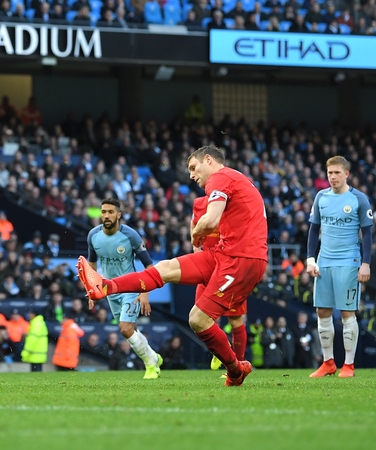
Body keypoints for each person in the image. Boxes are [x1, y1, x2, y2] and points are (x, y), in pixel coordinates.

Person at [78, 145, 267, 387]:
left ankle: (234, 368)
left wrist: (196, 234)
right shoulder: (235, 179)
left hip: (241, 259)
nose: (191, 175)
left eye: (193, 167)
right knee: (165, 267)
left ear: (208, 160)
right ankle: (104, 286)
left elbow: (209, 222)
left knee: (198, 319)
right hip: (225, 253)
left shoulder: (220, 178)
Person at [306, 156, 372, 378]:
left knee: (346, 312)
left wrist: (365, 264)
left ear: (346, 174)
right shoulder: (321, 197)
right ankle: (328, 363)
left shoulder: (358, 199)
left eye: (336, 173)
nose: (332, 177)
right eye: (329, 173)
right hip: (324, 261)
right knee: (322, 311)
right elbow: (314, 230)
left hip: (349, 261)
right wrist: (310, 259)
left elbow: (368, 234)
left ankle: (349, 365)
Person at [84, 198, 163, 379]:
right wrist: (92, 290)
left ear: (119, 215)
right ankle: (153, 356)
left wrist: (145, 292)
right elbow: (92, 264)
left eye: (110, 212)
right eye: (103, 212)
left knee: (125, 329)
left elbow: (150, 267)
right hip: (111, 290)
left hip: (131, 288)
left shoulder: (131, 235)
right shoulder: (93, 236)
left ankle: (151, 365)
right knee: (131, 329)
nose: (106, 215)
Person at [193, 196, 247, 375]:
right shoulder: (199, 203)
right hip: (208, 267)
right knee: (200, 317)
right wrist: (196, 250)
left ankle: (238, 366)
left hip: (230, 268)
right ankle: (221, 350)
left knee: (235, 320)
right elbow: (194, 224)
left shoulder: (233, 202)